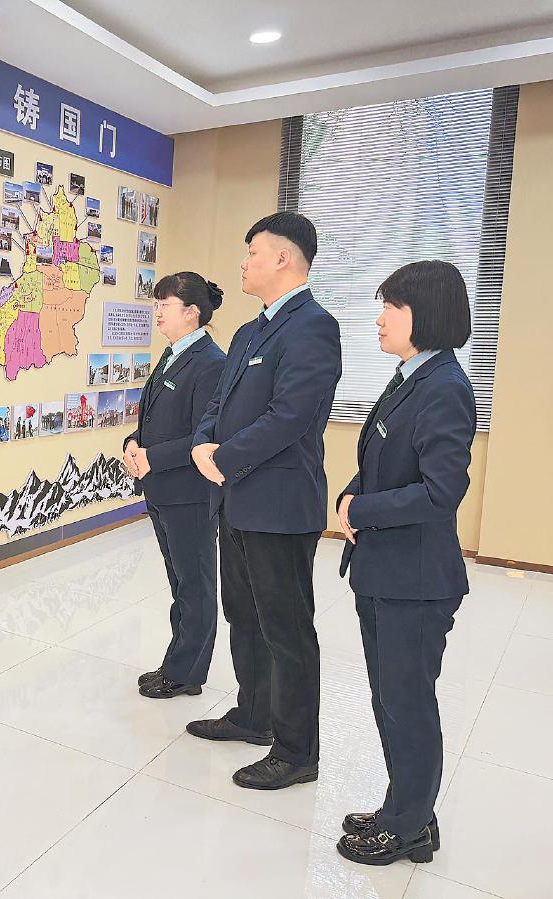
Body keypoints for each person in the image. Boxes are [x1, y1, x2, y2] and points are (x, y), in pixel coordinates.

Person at [189, 212, 341, 790]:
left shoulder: (314, 327)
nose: (244, 262)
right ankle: (253, 715)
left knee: (286, 628)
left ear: (283, 257)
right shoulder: (249, 332)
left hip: (278, 505)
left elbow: (290, 416)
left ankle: (297, 751)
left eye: (253, 251)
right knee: (244, 614)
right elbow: (220, 403)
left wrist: (223, 458)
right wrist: (204, 442)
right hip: (236, 501)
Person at [334, 261, 475, 866]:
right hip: (386, 571)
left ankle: (409, 825)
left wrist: (361, 510)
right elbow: (382, 462)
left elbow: (440, 493)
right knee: (390, 700)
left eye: (392, 306)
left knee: (407, 704)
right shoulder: (409, 377)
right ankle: (406, 808)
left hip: (414, 580)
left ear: (428, 313)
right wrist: (352, 494)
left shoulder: (444, 386)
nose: (380, 318)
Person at [123, 273, 226, 699]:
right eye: (157, 304)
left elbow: (205, 435)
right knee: (180, 582)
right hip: (162, 489)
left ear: (192, 313)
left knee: (195, 585)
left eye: (164, 305)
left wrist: (153, 457)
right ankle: (177, 662)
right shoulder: (172, 355)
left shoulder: (211, 362)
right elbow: (153, 417)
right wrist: (133, 443)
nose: (157, 312)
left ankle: (186, 673)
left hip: (189, 493)